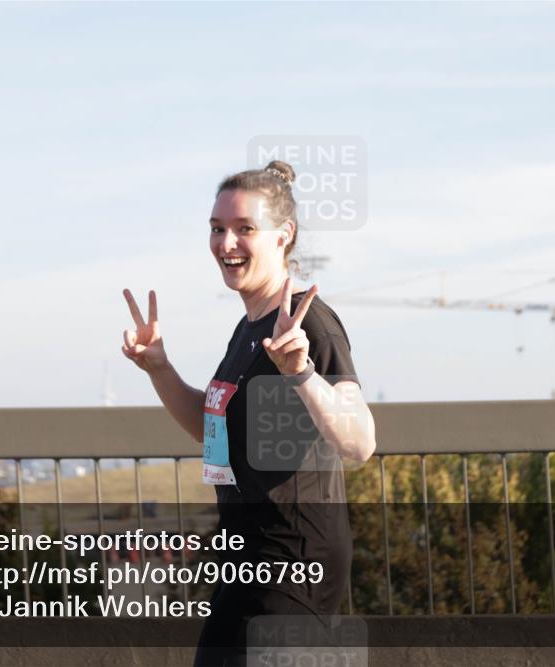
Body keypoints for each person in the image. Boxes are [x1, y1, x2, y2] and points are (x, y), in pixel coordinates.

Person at [121, 159, 376, 666]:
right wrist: (159, 368)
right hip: (247, 561)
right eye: (217, 229)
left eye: (245, 229)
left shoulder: (309, 325)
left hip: (292, 564)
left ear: (284, 236)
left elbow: (360, 443)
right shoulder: (249, 329)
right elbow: (210, 429)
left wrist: (301, 373)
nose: (226, 243)